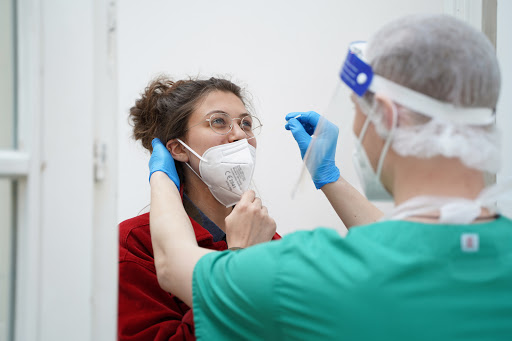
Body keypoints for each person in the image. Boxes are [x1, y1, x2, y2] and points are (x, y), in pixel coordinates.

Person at [148, 14, 512, 340]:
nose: (240, 135)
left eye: (357, 110)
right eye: (219, 122)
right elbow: (413, 242)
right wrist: (329, 177)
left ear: (386, 115)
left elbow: (173, 264)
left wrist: (162, 176)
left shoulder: (309, 270)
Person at [117, 76, 281, 340]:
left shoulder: (267, 236)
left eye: (246, 123)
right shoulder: (135, 244)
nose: (240, 135)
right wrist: (238, 261)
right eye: (219, 121)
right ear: (177, 149)